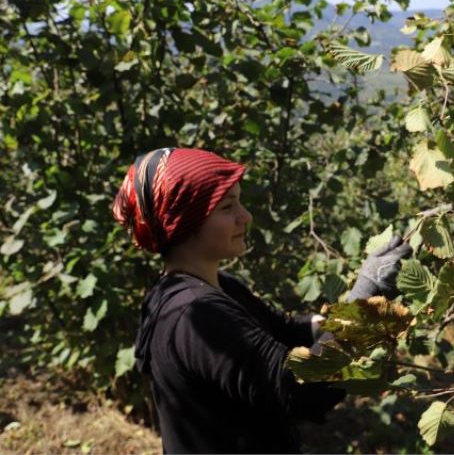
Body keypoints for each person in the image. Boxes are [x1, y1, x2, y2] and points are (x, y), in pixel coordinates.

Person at [112, 147, 411, 454]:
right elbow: (299, 391)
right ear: (185, 221)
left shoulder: (212, 289)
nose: (246, 216)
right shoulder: (195, 315)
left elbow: (285, 331)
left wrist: (356, 305)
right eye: (227, 207)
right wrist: (366, 297)